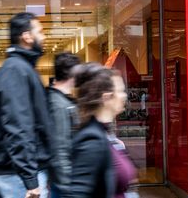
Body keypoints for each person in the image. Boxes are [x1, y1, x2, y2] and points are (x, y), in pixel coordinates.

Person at [0, 12, 51, 198]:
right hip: (18, 177)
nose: (44, 36)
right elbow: (18, 127)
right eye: (40, 31)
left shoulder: (22, 68)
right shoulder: (16, 70)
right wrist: (30, 181)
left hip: (21, 173)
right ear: (27, 36)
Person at [71, 63, 136, 198]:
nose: (124, 96)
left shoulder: (105, 134)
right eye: (120, 91)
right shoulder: (91, 139)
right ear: (106, 97)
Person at [46, 52, 81, 198]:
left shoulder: (61, 101)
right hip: (65, 185)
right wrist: (68, 185)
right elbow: (59, 148)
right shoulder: (59, 105)